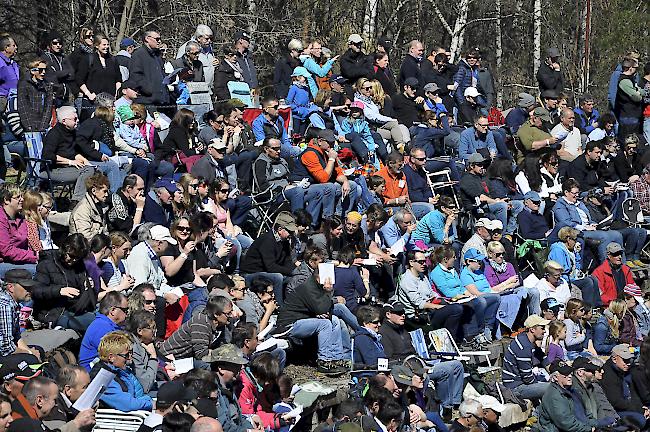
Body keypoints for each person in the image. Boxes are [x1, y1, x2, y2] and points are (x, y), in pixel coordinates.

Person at [379, 301, 464, 414]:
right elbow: (390, 360)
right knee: (445, 371)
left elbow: (414, 353)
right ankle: (445, 407)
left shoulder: (403, 330)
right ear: (388, 314)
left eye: (403, 312)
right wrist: (414, 370)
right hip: (407, 371)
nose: (403, 315)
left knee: (457, 365)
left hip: (420, 364)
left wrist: (425, 364)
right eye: (399, 313)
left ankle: (455, 405)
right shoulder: (384, 333)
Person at [274, 271, 349, 375]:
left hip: (302, 320)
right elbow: (322, 308)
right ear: (319, 278)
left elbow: (323, 310)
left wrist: (319, 313)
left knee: (335, 320)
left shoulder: (316, 287)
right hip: (288, 324)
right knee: (325, 324)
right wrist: (328, 291)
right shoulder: (308, 287)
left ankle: (336, 358)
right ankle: (324, 361)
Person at [32, 234, 97, 332]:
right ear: (64, 249)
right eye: (71, 256)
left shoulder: (79, 266)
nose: (73, 260)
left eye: (77, 257)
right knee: (95, 324)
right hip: (54, 312)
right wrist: (59, 291)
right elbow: (35, 291)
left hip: (76, 307)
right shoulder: (47, 264)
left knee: (104, 318)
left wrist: (88, 286)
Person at [290, 128, 358, 219]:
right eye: (330, 143)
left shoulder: (326, 152)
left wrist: (345, 182)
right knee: (330, 187)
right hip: (305, 186)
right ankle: (327, 219)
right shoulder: (310, 153)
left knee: (352, 185)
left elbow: (338, 172)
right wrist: (331, 159)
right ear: (320, 141)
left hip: (319, 185)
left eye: (333, 143)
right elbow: (323, 179)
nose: (332, 146)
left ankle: (341, 217)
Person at [400, 248, 463, 339]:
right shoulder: (407, 280)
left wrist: (443, 300)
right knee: (456, 309)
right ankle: (447, 340)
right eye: (420, 262)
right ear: (411, 263)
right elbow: (419, 304)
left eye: (425, 261)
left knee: (457, 305)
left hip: (431, 309)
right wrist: (440, 307)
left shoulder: (422, 276)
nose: (424, 264)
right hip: (419, 316)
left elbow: (431, 293)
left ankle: (452, 339)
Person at [89, 331, 153, 412]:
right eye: (126, 355)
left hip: (135, 413)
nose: (130, 358)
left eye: (131, 353)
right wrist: (152, 403)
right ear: (111, 357)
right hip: (119, 420)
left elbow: (138, 394)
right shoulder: (102, 377)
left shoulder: (122, 371)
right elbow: (128, 404)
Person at [8, 376, 95, 432]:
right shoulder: (27, 424)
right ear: (39, 400)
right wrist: (77, 423)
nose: (56, 405)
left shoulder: (17, 406)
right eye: (54, 400)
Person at [205, 344, 259, 432]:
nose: (241, 368)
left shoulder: (229, 387)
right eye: (235, 365)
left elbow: (239, 418)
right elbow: (224, 427)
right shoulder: (212, 392)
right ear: (221, 368)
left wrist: (250, 426)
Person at [537, 359, 600, 432]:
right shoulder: (554, 396)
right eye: (565, 374)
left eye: (570, 373)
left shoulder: (572, 390)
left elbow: (585, 412)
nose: (570, 376)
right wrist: (589, 429)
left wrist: (595, 424)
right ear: (555, 377)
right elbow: (566, 423)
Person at [548, 226, 600, 308]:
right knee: (587, 282)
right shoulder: (557, 250)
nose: (576, 242)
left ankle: (597, 306)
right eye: (575, 240)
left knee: (593, 279)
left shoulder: (571, 250)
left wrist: (577, 254)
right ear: (568, 239)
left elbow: (578, 266)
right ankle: (587, 308)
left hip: (573, 276)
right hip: (564, 280)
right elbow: (562, 271)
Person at [502, 314, 550, 400]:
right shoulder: (523, 347)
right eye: (542, 328)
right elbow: (528, 378)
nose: (545, 331)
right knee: (552, 389)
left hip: (522, 381)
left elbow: (542, 357)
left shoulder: (526, 338)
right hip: (515, 387)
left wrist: (555, 371)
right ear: (532, 329)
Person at [17, 57, 54, 165]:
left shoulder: (47, 85)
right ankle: (33, 179)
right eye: (40, 70)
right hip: (30, 126)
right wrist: (29, 127)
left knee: (44, 156)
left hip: (43, 125)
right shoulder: (24, 84)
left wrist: (43, 126)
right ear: (33, 71)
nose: (43, 73)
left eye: (45, 70)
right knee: (34, 157)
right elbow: (23, 107)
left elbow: (48, 107)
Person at [75, 34, 121, 120]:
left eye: (107, 44)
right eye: (104, 45)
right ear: (96, 45)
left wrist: (116, 95)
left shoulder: (113, 60)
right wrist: (88, 94)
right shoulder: (88, 59)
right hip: (92, 102)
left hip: (109, 102)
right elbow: (79, 79)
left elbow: (118, 79)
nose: (106, 47)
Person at [78, 292, 128, 370]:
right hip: (94, 375)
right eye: (125, 310)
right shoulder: (102, 327)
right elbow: (117, 357)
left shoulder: (111, 325)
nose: (127, 314)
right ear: (113, 310)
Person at [601, 343, 647, 428]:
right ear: (615, 359)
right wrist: (640, 410)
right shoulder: (608, 376)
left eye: (630, 360)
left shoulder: (626, 370)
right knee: (640, 419)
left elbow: (635, 392)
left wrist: (643, 407)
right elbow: (617, 402)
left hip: (631, 404)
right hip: (617, 411)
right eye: (625, 360)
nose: (628, 363)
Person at [125, 225, 175, 301]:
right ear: (159, 244)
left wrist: (174, 291)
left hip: (154, 294)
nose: (168, 247)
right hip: (143, 301)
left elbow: (161, 282)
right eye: (167, 243)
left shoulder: (154, 255)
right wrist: (164, 295)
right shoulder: (140, 255)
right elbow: (140, 288)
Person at [0, 185, 37, 277]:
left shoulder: (20, 218)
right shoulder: (1, 220)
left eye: (22, 196)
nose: (22, 200)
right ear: (6, 200)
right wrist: (34, 256)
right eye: (17, 197)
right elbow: (7, 251)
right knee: (39, 271)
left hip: (19, 259)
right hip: (3, 262)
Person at [42, 365, 91, 431]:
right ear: (68, 390)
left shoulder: (66, 404)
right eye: (85, 387)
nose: (89, 391)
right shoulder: (55, 413)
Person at [0, 269, 36, 356]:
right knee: (31, 359)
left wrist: (30, 352)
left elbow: (16, 336)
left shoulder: (14, 304)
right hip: (3, 353)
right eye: (26, 287)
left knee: (38, 351)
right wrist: (30, 353)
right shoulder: (5, 306)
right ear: (11, 287)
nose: (30, 291)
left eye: (30, 287)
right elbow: (6, 349)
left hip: (6, 350)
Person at [130, 30, 170, 105]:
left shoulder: (157, 56)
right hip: (147, 101)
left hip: (162, 100)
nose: (159, 42)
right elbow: (136, 77)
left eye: (160, 39)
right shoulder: (138, 55)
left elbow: (160, 74)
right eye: (157, 39)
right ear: (147, 39)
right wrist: (149, 90)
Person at [68, 173, 110, 241]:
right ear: (94, 191)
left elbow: (105, 231)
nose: (107, 195)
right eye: (104, 191)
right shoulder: (82, 210)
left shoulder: (101, 206)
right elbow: (84, 238)